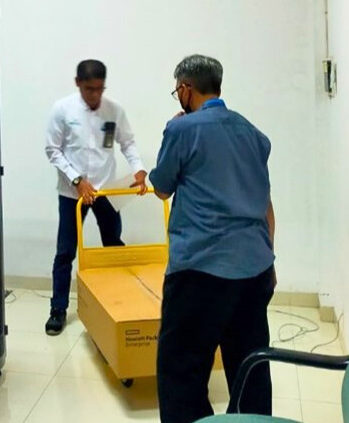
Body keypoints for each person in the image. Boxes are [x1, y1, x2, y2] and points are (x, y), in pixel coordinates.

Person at [148, 54, 277, 423]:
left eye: (177, 91)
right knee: (250, 368)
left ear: (186, 90)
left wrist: (171, 129)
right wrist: (270, 261)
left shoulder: (182, 130)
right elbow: (266, 205)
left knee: (181, 372)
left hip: (200, 272)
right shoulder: (254, 134)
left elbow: (161, 187)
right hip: (255, 270)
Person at [44, 59, 147, 335]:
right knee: (65, 251)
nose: (95, 95)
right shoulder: (62, 109)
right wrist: (77, 180)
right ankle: (58, 309)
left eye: (100, 89)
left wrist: (138, 169)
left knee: (113, 246)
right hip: (72, 192)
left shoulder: (114, 110)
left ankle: (121, 301)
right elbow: (52, 150)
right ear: (78, 83)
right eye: (89, 89)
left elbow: (127, 142)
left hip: (105, 189)